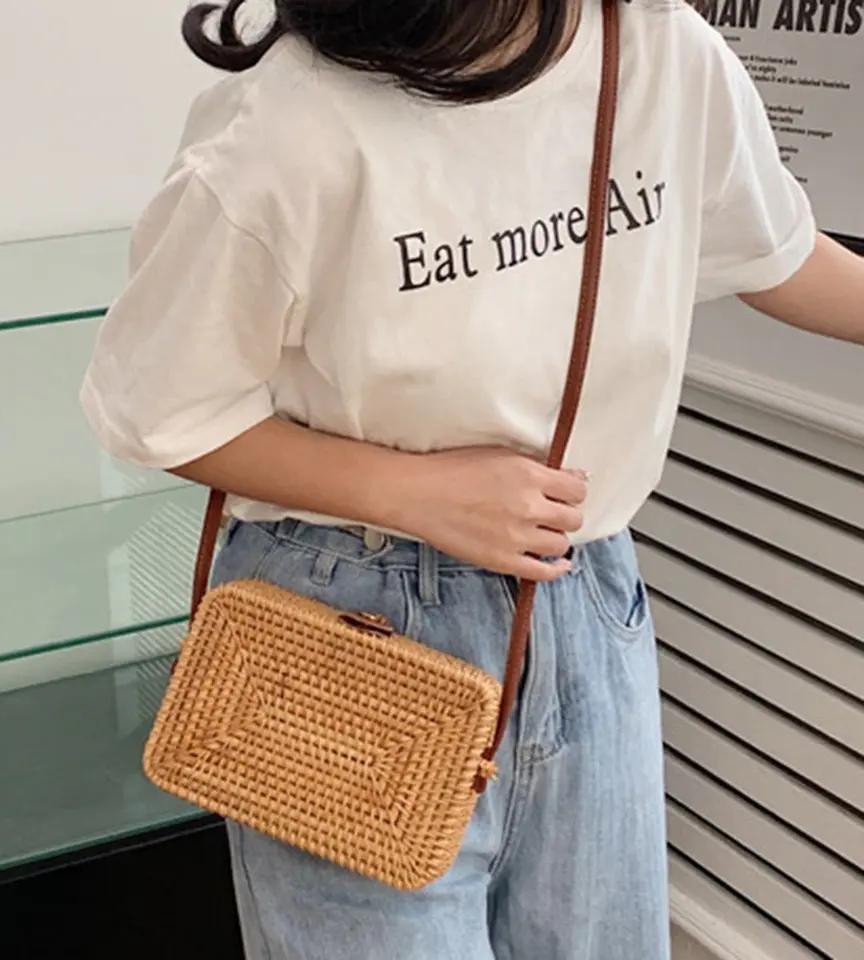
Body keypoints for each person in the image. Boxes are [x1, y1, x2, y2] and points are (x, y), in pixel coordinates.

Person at [80, 1, 863, 956]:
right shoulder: (290, 123)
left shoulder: (659, 52)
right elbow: (153, 408)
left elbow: (776, 251)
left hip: (583, 594)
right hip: (347, 615)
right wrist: (410, 491)